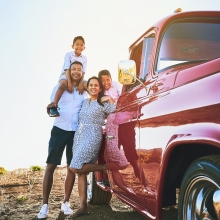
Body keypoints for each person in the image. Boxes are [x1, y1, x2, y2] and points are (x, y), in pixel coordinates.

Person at [37, 61, 88, 219]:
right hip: (59, 130)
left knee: (71, 167)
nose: (76, 72)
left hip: (75, 132)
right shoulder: (59, 87)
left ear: (82, 72)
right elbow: (52, 108)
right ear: (69, 71)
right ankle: (44, 205)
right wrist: (50, 107)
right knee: (51, 165)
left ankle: (65, 202)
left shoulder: (84, 90)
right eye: (73, 69)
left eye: (79, 69)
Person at [69, 76, 116, 218]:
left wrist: (110, 99)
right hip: (79, 136)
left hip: (93, 135)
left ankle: (104, 167)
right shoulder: (84, 102)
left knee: (74, 167)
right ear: (87, 87)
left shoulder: (103, 102)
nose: (93, 87)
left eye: (96, 85)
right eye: (91, 85)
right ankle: (82, 206)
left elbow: (116, 110)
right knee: (81, 172)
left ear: (100, 88)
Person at [50, 36, 87, 116]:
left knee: (88, 84)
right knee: (62, 85)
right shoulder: (68, 55)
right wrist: (69, 82)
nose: (79, 47)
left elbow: (83, 72)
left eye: (81, 45)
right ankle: (53, 107)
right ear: (72, 46)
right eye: (77, 44)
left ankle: (97, 106)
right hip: (66, 74)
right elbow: (67, 68)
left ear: (84, 47)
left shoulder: (84, 58)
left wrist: (80, 83)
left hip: (79, 76)